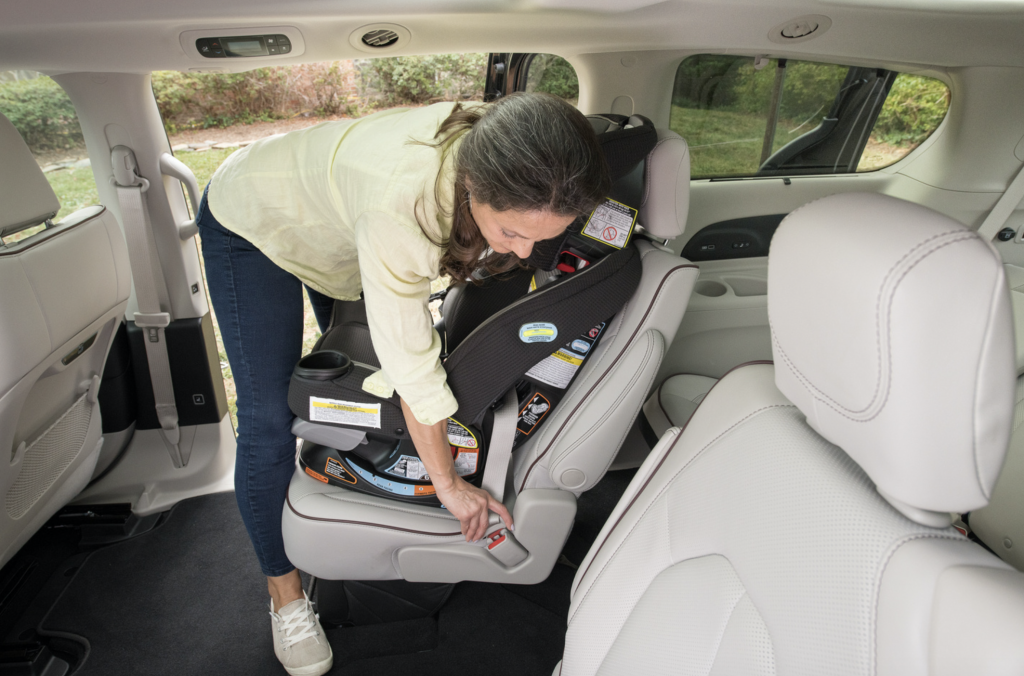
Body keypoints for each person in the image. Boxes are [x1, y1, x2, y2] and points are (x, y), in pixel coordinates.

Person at [196, 92, 609, 676]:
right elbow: (414, 375)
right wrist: (447, 484)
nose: (524, 252)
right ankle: (285, 596)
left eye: (541, 238)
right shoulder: (403, 211)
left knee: (349, 340)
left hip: (338, 220)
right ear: (472, 186)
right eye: (511, 231)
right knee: (266, 418)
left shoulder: (517, 145)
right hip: (254, 217)